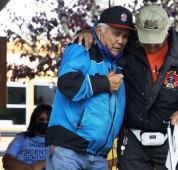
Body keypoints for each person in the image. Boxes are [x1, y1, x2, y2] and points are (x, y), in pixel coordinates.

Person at [77, 5, 178, 170]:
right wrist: (87, 31)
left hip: (172, 136)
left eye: (156, 40)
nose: (151, 46)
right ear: (137, 29)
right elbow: (105, 36)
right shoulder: (126, 43)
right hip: (132, 139)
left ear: (167, 29)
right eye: (146, 39)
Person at [45, 6, 134, 170]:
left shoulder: (120, 60)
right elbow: (67, 83)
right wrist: (106, 83)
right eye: (116, 34)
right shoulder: (81, 46)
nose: (121, 41)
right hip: (69, 150)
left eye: (125, 36)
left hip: (99, 155)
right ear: (99, 31)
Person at [2, 103, 52, 170]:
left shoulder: (60, 141)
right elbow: (7, 161)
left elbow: (65, 162)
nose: (45, 122)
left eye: (48, 120)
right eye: (41, 119)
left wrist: (42, 164)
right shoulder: (21, 138)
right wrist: (29, 168)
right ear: (34, 120)